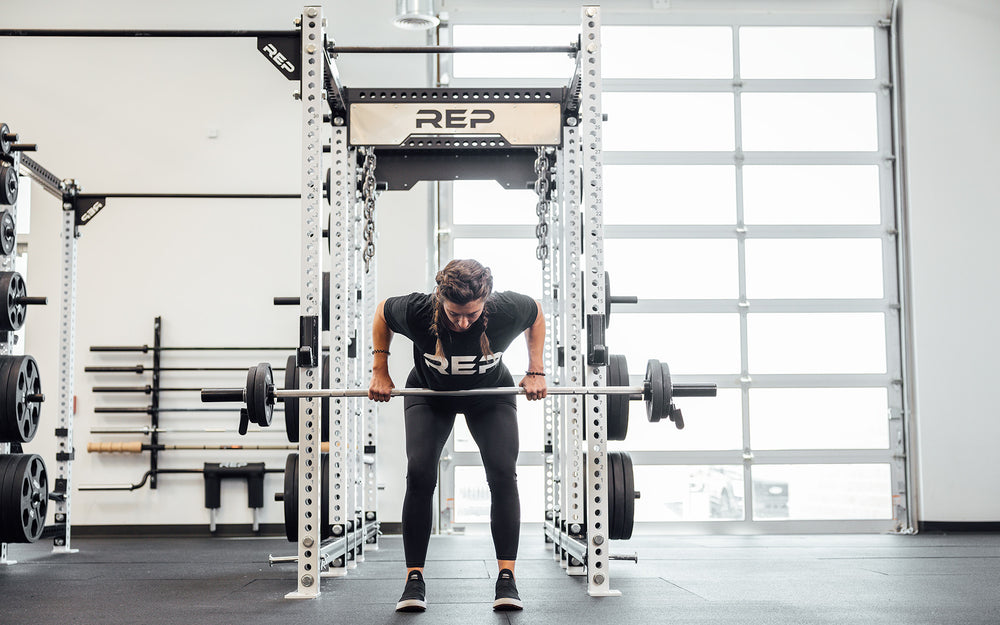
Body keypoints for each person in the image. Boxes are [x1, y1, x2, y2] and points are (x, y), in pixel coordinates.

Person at [368, 258, 547, 613]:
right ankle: (413, 579)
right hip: (430, 396)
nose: (463, 322)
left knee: (502, 472)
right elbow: (382, 313)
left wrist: (536, 369)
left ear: (486, 302)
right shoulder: (418, 310)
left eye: (472, 314)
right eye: (454, 314)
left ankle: (507, 578)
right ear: (440, 299)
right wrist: (380, 370)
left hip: (490, 397)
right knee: (419, 473)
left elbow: (536, 314)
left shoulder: (507, 309)